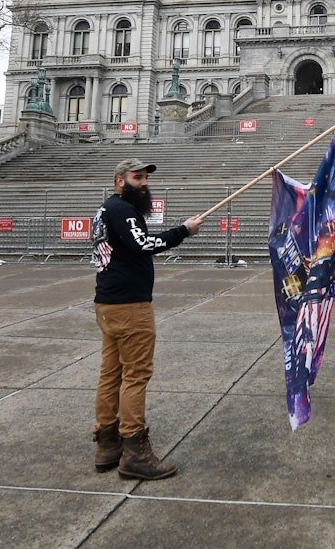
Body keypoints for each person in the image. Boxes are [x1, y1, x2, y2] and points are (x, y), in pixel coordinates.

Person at [91, 157, 202, 480]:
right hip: (130, 306)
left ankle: (107, 443)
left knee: (111, 374)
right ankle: (135, 452)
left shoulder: (105, 210)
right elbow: (143, 244)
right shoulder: (122, 210)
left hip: (108, 302)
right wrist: (183, 231)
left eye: (145, 179)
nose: (143, 184)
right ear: (119, 180)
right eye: (136, 178)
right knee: (137, 375)